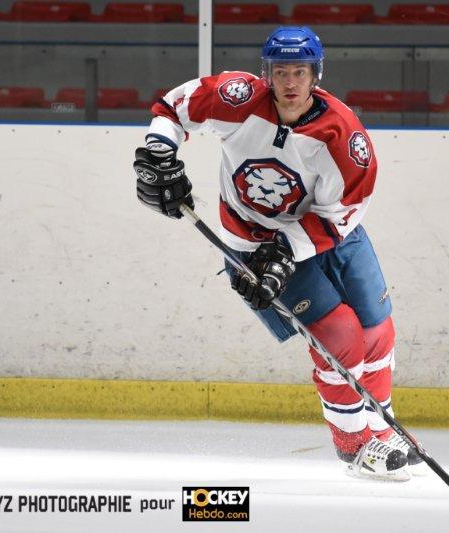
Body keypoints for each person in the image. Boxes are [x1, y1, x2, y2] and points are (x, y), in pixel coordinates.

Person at [134, 26, 424, 481]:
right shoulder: (239, 99)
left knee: (377, 329)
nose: (290, 82)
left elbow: (344, 211)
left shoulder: (343, 135)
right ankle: (355, 445)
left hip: (331, 234)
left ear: (316, 74)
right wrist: (158, 152)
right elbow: (175, 106)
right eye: (281, 72)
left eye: (300, 72)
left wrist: (288, 248)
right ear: (266, 73)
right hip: (252, 247)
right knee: (341, 336)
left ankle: (383, 429)